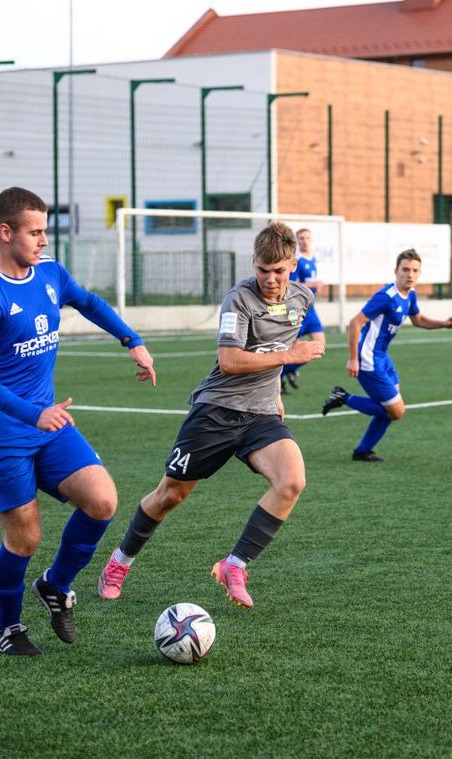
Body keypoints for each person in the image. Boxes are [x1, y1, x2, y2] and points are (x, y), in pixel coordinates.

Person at [0, 187, 155, 656]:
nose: (45, 240)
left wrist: (132, 340)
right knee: (25, 538)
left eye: (46, 230)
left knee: (103, 500)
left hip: (47, 422)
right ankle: (6, 628)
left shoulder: (50, 274)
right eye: (36, 232)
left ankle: (55, 585)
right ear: (5, 233)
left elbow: (88, 302)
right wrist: (35, 413)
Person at [97, 221, 323, 610]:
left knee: (292, 481)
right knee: (170, 495)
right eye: (262, 270)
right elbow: (230, 361)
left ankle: (234, 565)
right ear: (253, 262)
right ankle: (119, 562)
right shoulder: (238, 299)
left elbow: (278, 345)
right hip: (216, 411)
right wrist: (289, 357)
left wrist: (275, 392)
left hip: (260, 415)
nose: (270, 279)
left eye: (279, 271)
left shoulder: (302, 298)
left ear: (293, 264)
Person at [320, 248, 452, 462]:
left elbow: (419, 320)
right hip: (367, 358)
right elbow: (355, 323)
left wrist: (443, 324)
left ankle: (362, 451)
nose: (410, 274)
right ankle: (343, 397)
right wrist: (353, 358)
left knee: (390, 407)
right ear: (396, 271)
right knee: (397, 411)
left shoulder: (410, 294)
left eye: (415, 270)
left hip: (382, 357)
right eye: (405, 269)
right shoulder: (386, 297)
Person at [280, 227, 326, 393]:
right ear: (297, 242)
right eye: (301, 238)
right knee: (286, 345)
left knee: (320, 345)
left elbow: (308, 285)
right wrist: (313, 285)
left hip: (310, 309)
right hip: (297, 309)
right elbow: (290, 285)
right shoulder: (296, 261)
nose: (304, 241)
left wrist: (316, 289)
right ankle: (277, 377)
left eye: (307, 237)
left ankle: (289, 370)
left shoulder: (312, 259)